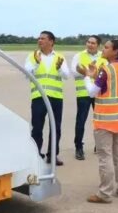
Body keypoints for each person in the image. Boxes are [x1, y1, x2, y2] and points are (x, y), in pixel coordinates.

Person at [83, 39, 118, 203]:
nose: (103, 49)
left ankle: (105, 193)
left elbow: (92, 92)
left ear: (115, 51)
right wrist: (95, 76)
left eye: (106, 47)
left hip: (105, 120)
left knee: (105, 157)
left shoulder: (106, 69)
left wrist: (87, 77)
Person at [25, 31, 70, 166]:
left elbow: (66, 75)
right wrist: (36, 63)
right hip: (39, 96)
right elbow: (27, 73)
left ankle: (52, 155)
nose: (39, 40)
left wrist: (59, 68)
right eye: (39, 38)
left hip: (56, 97)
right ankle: (36, 154)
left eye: (43, 38)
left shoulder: (59, 57)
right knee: (37, 127)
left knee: (55, 127)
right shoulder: (33, 56)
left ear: (51, 41)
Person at [72, 36, 107, 160]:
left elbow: (107, 72)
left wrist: (89, 72)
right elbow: (74, 72)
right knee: (81, 121)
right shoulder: (79, 56)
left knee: (100, 121)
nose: (90, 45)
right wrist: (88, 72)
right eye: (88, 42)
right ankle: (78, 147)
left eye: (93, 43)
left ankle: (99, 145)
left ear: (98, 45)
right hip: (84, 93)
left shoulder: (103, 56)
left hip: (99, 93)